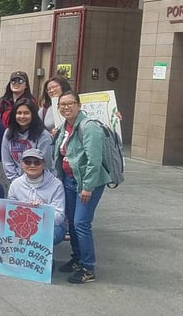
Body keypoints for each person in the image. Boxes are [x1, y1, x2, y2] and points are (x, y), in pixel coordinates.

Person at [53, 91, 111, 284]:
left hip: (86, 183)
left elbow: (95, 160)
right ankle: (77, 259)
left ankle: (88, 268)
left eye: (70, 103)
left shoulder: (89, 127)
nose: (66, 107)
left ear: (79, 105)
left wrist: (87, 187)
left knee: (81, 223)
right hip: (69, 181)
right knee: (71, 221)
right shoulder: (65, 127)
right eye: (62, 104)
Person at [6, 148, 67, 246]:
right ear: (22, 164)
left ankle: (44, 258)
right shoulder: (15, 184)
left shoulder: (56, 184)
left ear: (44, 164)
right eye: (28, 162)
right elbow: (10, 212)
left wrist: (40, 211)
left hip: (49, 225)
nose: (32, 165)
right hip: (22, 224)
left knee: (52, 233)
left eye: (37, 162)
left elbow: (59, 216)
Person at [1, 99, 53, 182]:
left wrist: (30, 183)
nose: (22, 116)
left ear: (33, 115)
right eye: (19, 113)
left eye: (26, 113)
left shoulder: (43, 135)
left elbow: (46, 163)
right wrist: (16, 182)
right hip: (15, 182)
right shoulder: (8, 132)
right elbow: (7, 161)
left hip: (40, 181)